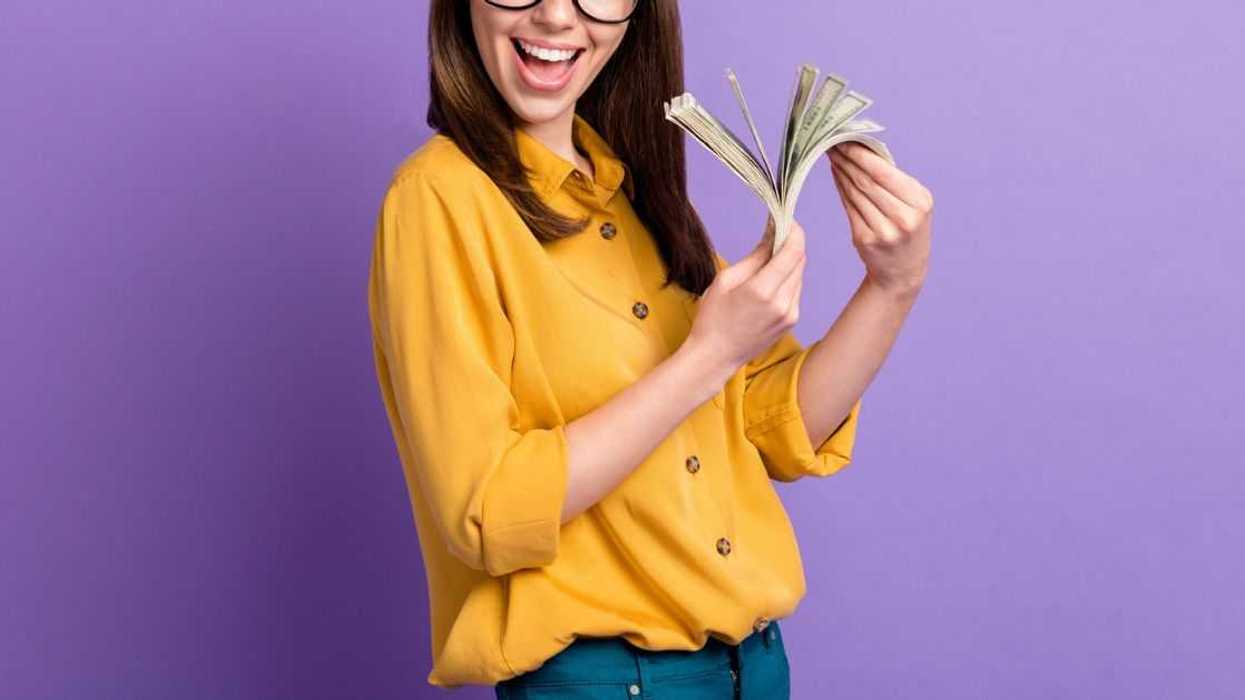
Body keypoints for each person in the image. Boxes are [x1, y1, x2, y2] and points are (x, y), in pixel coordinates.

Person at [366, 0, 933, 695]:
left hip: (753, 669)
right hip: (610, 680)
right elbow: (487, 508)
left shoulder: (635, 193)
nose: (555, 16)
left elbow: (772, 433)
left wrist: (890, 286)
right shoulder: (438, 199)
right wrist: (707, 357)